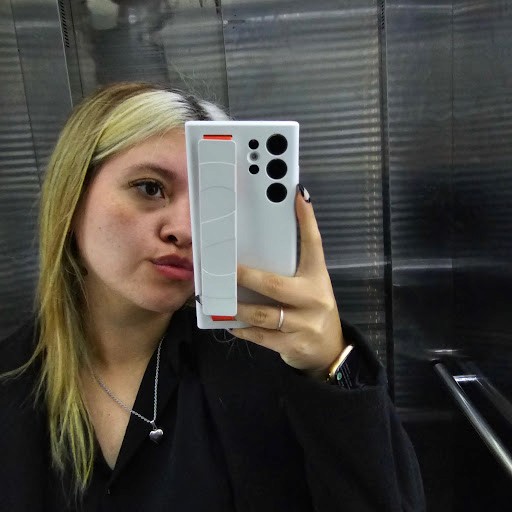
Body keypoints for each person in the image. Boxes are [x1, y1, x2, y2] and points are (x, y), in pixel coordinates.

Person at [0, 82, 425, 511]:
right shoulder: (12, 380)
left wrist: (330, 370)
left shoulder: (262, 361)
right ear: (72, 198)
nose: (186, 230)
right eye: (150, 188)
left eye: (210, 201)